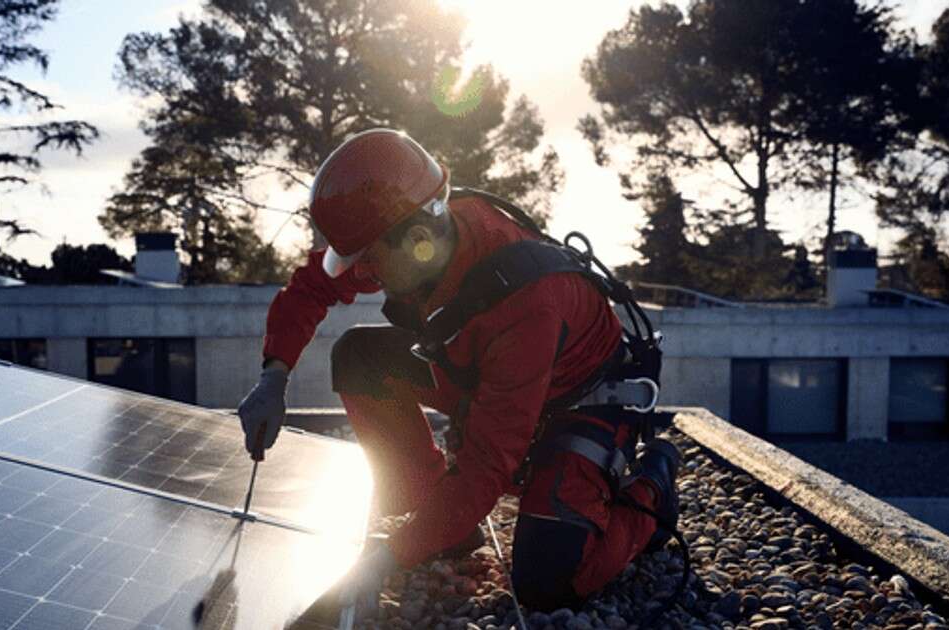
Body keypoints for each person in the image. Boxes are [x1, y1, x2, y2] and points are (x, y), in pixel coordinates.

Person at [237, 128, 681, 617]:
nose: (367, 275)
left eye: (371, 262)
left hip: (580, 404)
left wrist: (382, 560)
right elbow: (310, 288)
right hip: (483, 372)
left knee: (548, 580)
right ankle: (437, 517)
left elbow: (487, 466)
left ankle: (654, 488)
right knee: (359, 357)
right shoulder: (406, 233)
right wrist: (272, 378)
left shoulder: (527, 303)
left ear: (418, 240)